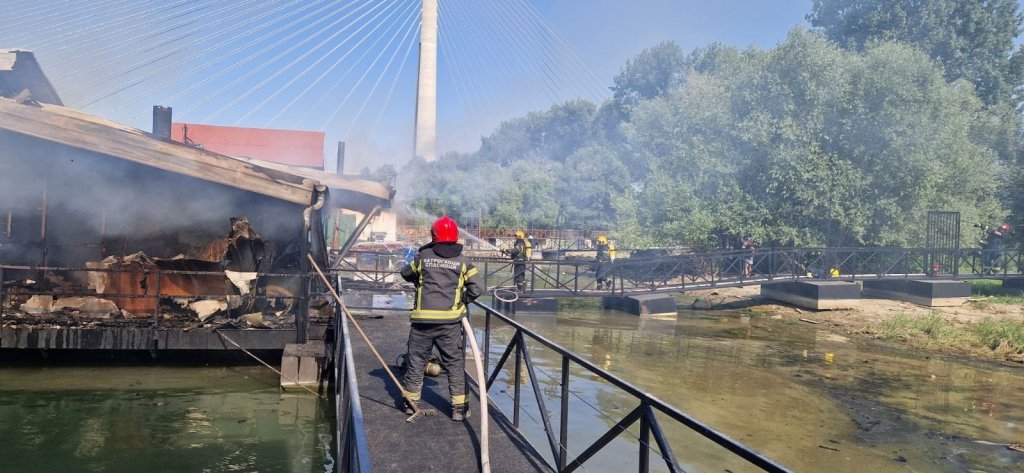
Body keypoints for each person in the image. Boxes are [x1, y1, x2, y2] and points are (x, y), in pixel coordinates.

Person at [399, 216, 482, 421]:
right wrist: (461, 300)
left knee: (416, 362)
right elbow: (477, 288)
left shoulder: (423, 257)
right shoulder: (463, 262)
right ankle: (459, 410)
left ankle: (410, 404)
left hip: (422, 323)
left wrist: (424, 257)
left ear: (433, 235)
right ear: (456, 236)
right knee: (454, 364)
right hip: (449, 323)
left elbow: (405, 273)